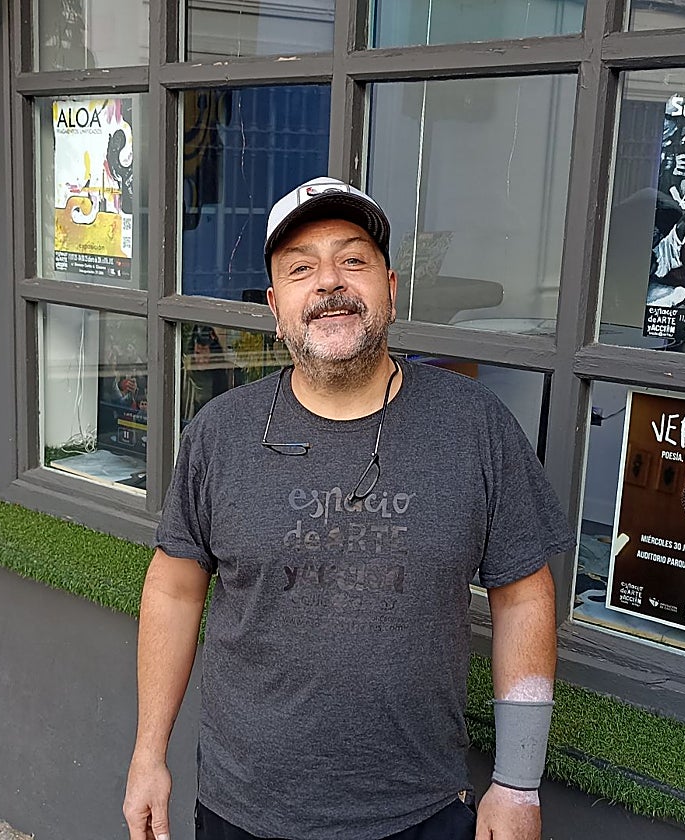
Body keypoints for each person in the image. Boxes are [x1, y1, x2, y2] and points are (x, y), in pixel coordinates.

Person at [123, 176, 574, 840]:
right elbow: (173, 589)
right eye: (302, 268)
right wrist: (147, 755)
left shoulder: (474, 426)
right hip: (242, 808)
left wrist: (518, 780)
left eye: (352, 260)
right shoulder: (220, 434)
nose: (329, 282)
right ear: (276, 308)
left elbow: (524, 595)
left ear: (389, 289)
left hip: (418, 810)